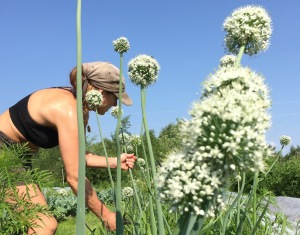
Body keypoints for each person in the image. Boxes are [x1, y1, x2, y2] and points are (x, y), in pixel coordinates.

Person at [0, 61, 137, 234]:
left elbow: (78, 156)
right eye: (116, 98)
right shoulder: (69, 110)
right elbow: (75, 177)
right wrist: (106, 215)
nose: (116, 105)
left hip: (17, 158)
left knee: (33, 223)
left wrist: (114, 161)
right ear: (101, 91)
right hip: (4, 153)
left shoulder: (80, 108)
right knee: (43, 224)